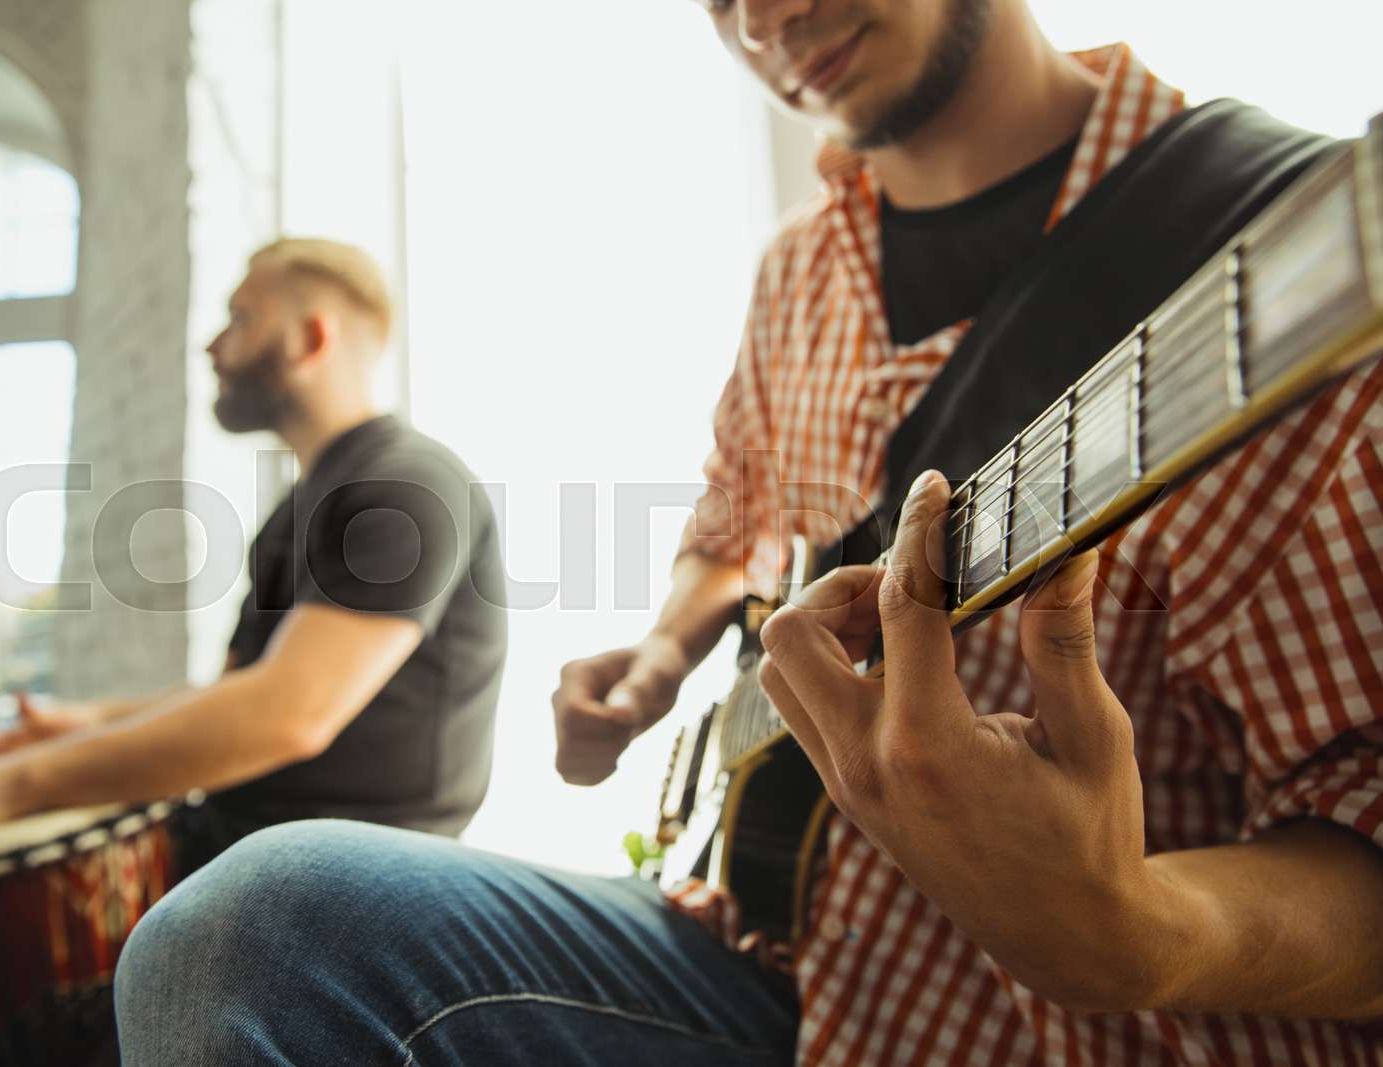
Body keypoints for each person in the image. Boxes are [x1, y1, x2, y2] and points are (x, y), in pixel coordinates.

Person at [112, 4, 1383, 1065]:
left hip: (1098, 1028)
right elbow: (736, 515)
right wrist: (665, 653)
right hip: (773, 960)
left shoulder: (1276, 245)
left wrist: (1138, 929)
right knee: (249, 929)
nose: (765, 20)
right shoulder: (797, 274)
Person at [0, 237, 508, 897]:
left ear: (311, 340)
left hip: (360, 890)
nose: (213, 344)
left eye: (241, 318)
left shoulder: (408, 486)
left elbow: (290, 712)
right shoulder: (303, 504)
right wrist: (95, 720)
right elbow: (245, 686)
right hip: (263, 862)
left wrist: (7, 786)